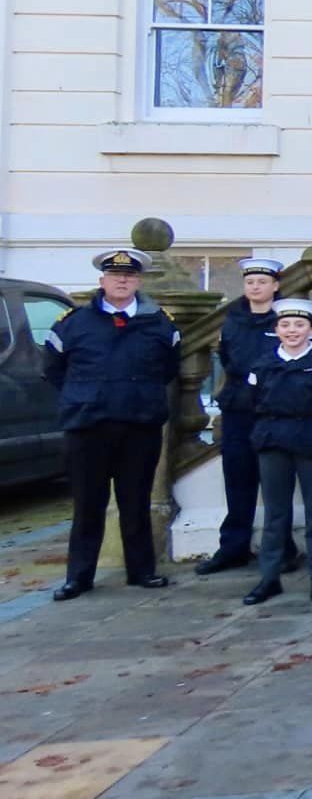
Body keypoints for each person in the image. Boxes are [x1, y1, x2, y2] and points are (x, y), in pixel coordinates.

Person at [44, 248, 181, 602]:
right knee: (88, 504)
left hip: (139, 425)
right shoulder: (73, 323)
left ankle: (142, 571)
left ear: (139, 281)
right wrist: (85, 397)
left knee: (135, 501)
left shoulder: (160, 323)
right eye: (115, 275)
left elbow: (169, 368)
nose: (122, 281)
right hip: (89, 425)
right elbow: (53, 370)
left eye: (129, 276)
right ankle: (79, 577)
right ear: (102, 281)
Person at [239, 298, 312, 605]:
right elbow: (251, 403)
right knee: (275, 514)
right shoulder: (262, 364)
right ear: (276, 329)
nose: (292, 331)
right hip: (273, 442)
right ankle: (269, 578)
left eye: (299, 325)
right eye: (285, 325)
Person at [199, 256, 299, 577]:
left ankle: (282, 548)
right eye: (250, 282)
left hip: (273, 409)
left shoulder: (288, 318)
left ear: (275, 286)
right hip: (239, 409)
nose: (255, 287)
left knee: (276, 485)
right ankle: (233, 547)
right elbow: (228, 357)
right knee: (238, 481)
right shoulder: (234, 318)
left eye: (262, 282)